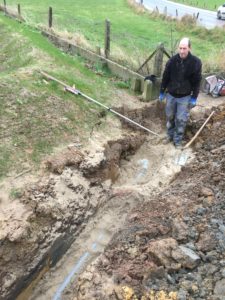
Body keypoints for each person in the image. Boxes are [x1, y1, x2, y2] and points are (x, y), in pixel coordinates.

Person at [159, 37, 202, 148]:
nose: (182, 51)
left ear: (189, 48)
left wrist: (194, 97)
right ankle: (169, 135)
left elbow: (197, 82)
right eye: (180, 48)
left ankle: (177, 140)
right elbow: (165, 77)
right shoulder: (172, 61)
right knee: (170, 117)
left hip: (185, 96)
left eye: (185, 48)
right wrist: (162, 91)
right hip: (171, 95)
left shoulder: (196, 63)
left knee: (181, 120)